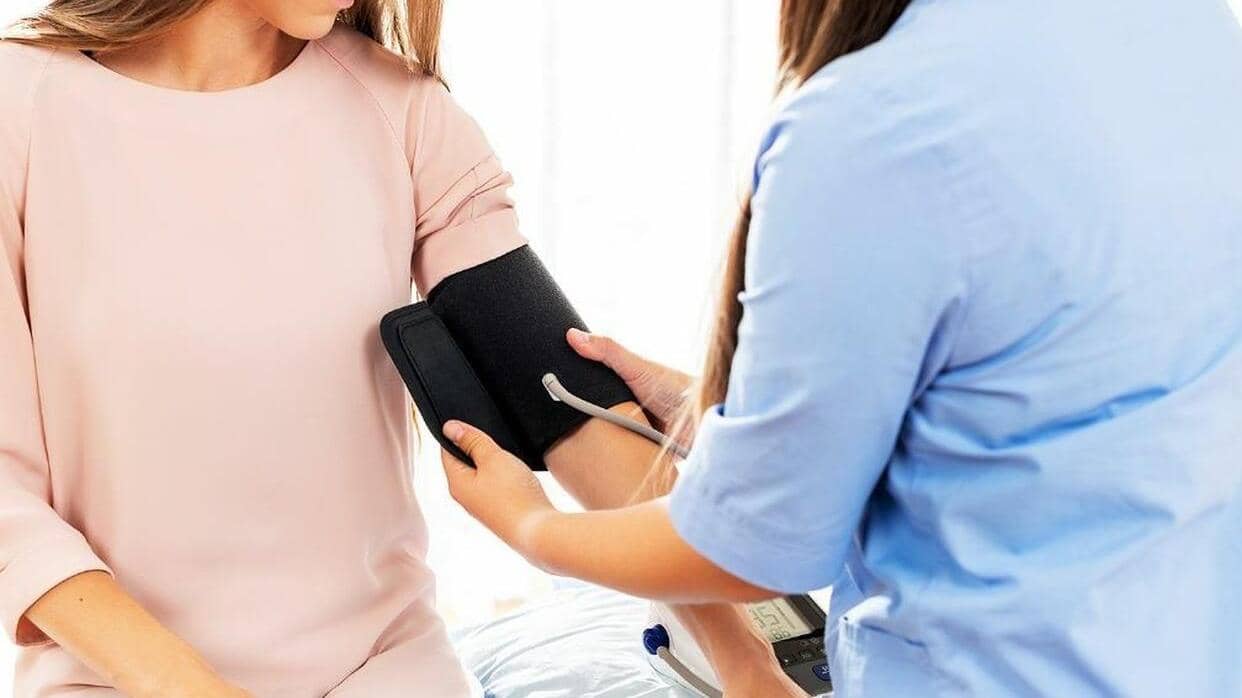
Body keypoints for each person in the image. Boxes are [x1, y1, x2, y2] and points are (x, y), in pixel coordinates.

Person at [442, 0, 1242, 696]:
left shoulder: (875, 125)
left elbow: (751, 550)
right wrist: (756, 420)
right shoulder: (1185, 30)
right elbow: (1061, 381)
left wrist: (532, 529)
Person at [0, 1, 799, 696]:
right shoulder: (23, 107)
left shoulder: (400, 110)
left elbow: (562, 400)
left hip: (385, 670)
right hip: (116, 678)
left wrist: (744, 661)